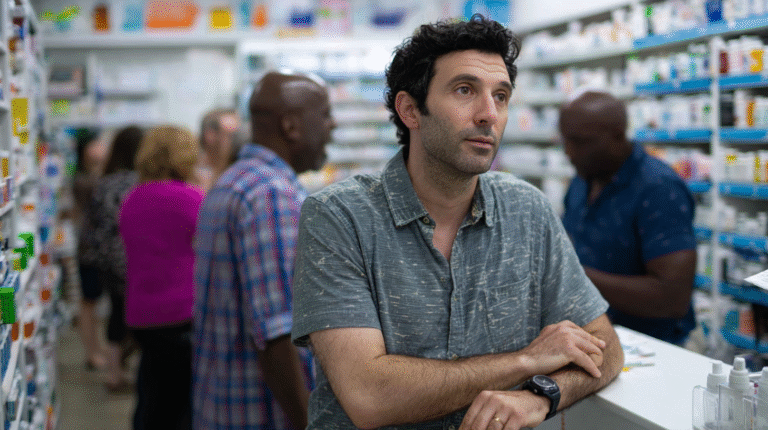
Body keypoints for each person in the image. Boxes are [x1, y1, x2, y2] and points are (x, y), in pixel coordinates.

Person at [291, 15, 624, 430]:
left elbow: (606, 348)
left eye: (501, 96)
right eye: (465, 90)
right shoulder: (339, 217)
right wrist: (526, 361)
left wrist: (541, 396)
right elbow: (368, 396)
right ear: (410, 109)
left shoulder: (526, 210)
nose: (489, 114)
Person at [193, 71, 335, 430]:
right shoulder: (271, 194)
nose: (332, 127)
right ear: (291, 126)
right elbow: (278, 334)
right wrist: (309, 422)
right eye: (325, 115)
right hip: (262, 414)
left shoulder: (234, 181)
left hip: (222, 405)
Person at [559, 91, 697, 346]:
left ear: (616, 136)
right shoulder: (582, 179)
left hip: (652, 346)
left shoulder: (658, 188)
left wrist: (573, 275)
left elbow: (672, 299)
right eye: (565, 141)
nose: (569, 152)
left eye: (580, 142)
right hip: (595, 334)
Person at [120, 125, 203, 430]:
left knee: (152, 390)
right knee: (181, 404)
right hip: (182, 312)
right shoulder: (191, 199)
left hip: (142, 314)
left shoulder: (133, 199)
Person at [90, 125, 143, 392]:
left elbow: (96, 223)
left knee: (115, 313)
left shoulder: (105, 182)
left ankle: (114, 372)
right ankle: (129, 366)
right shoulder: (140, 182)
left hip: (108, 257)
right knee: (138, 314)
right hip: (135, 257)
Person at [71, 128, 108, 371]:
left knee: (92, 301)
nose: (102, 149)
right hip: (90, 250)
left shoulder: (94, 176)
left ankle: (97, 349)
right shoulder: (84, 180)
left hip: (98, 248)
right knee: (89, 302)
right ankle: (91, 352)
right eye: (96, 144)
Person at [196, 108, 241, 191]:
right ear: (210, 135)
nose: (239, 142)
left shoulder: (239, 173)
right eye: (232, 136)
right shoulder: (193, 176)